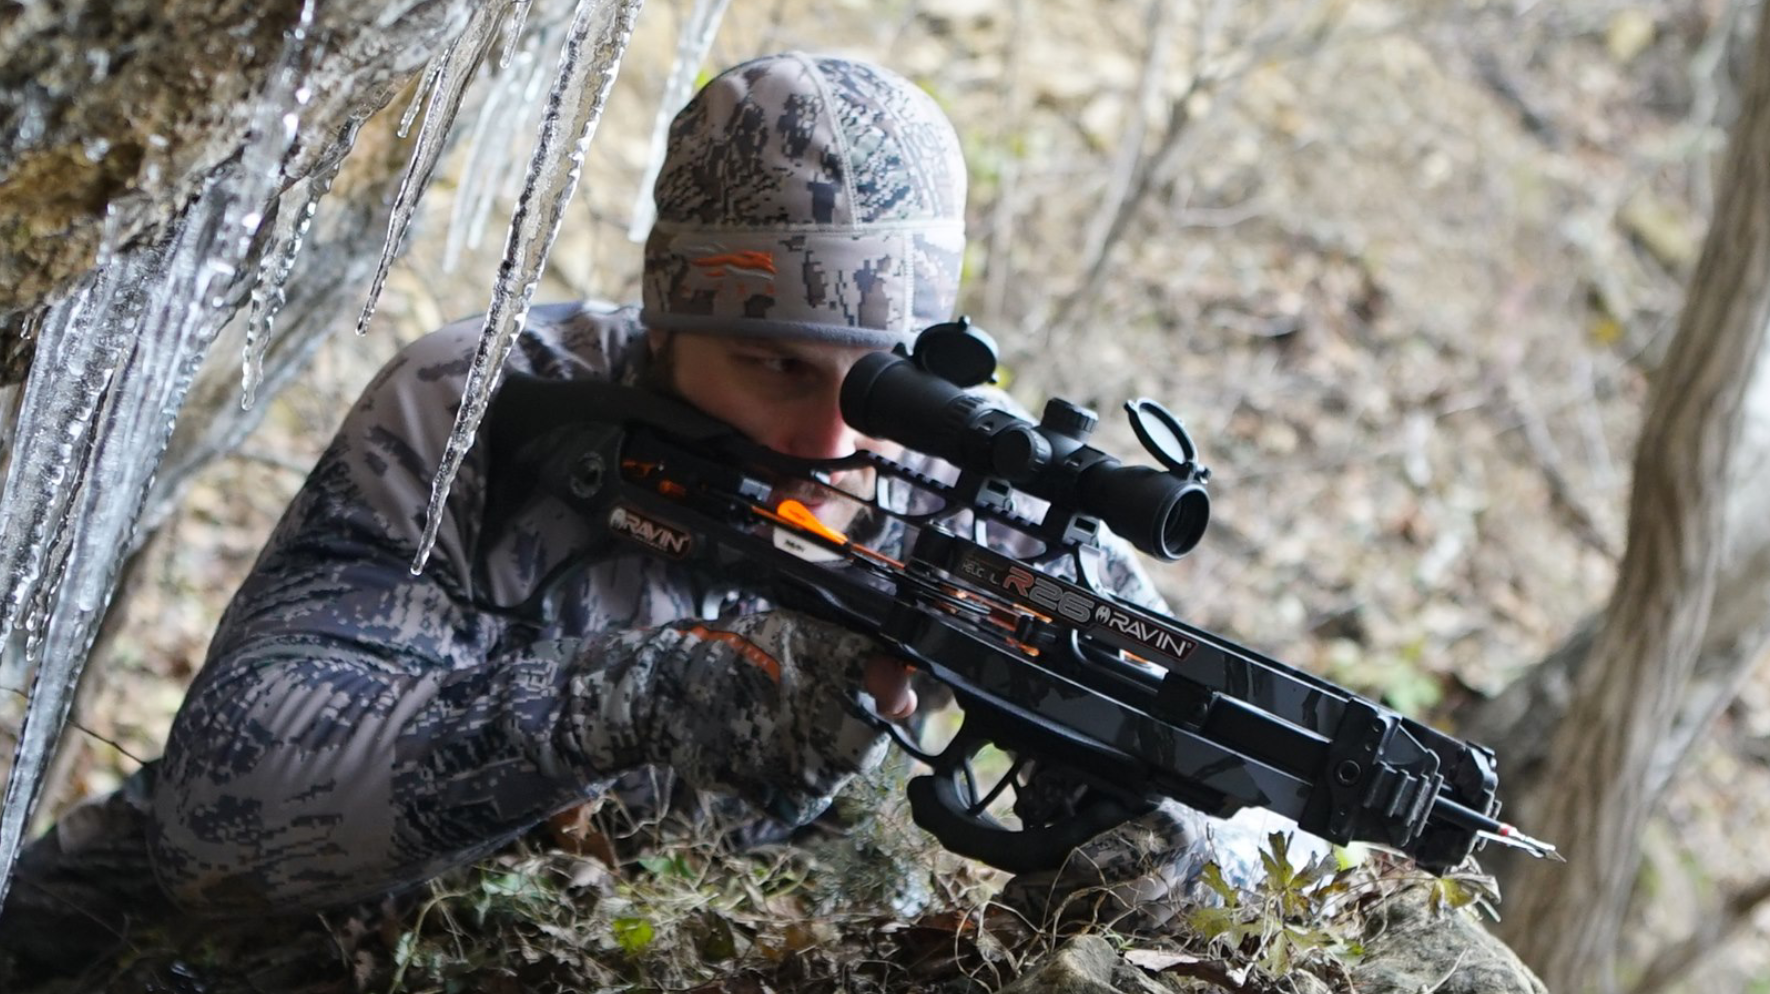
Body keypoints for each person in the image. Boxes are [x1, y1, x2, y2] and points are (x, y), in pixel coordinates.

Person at [0, 51, 1259, 975]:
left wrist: (1170, 853)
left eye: (881, 386)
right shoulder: (486, 401)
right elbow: (221, 822)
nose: (832, 439)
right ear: (668, 320)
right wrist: (649, 696)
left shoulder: (989, 499)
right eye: (775, 366)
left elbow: (1244, 787)